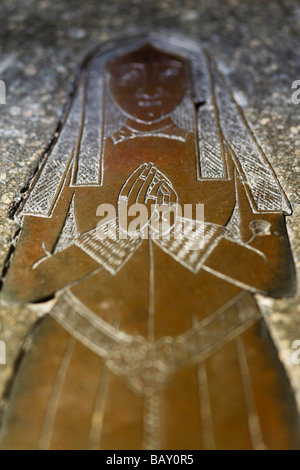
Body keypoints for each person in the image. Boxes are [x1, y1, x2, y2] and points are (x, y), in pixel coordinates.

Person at [0, 36, 299, 450]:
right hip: (86, 343)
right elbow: (23, 285)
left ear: (195, 86)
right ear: (101, 86)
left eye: (170, 75)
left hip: (220, 345)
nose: (149, 89)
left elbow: (275, 277)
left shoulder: (236, 157)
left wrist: (176, 228)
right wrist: (114, 235)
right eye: (128, 75)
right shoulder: (73, 161)